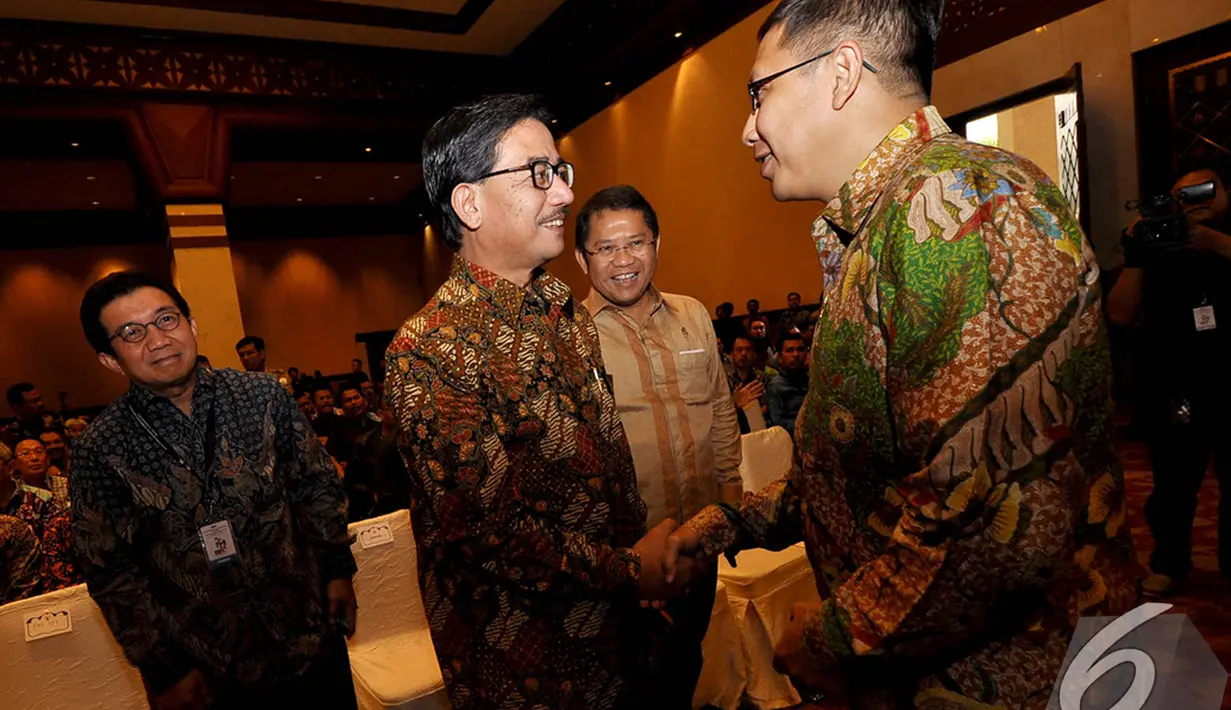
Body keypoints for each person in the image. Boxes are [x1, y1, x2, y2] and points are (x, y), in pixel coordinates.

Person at [664, 2, 1140, 707]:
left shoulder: (956, 205)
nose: (747, 128)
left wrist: (834, 638)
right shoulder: (888, 223)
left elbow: (993, 528)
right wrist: (726, 524)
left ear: (841, 71)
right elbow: (858, 468)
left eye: (757, 94)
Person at [385, 94, 693, 710]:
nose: (562, 194)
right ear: (468, 202)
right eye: (537, 174)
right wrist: (633, 571)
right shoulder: (426, 351)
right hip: (526, 664)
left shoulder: (564, 312)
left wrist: (638, 565)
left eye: (559, 171)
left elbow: (607, 463)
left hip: (621, 635)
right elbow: (488, 535)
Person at [72, 271, 358, 710]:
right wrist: (163, 668)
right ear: (110, 358)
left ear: (191, 325)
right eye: (131, 332)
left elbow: (315, 483)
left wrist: (339, 569)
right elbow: (109, 568)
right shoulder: (101, 447)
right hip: (204, 665)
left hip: (308, 630)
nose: (157, 340)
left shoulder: (261, 396)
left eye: (166, 319)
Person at [575, 184, 742, 707]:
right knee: (633, 687)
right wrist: (622, 559)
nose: (623, 260)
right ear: (582, 260)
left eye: (636, 242)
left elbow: (718, 407)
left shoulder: (693, 315)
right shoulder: (572, 339)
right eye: (606, 248)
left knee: (686, 662)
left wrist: (730, 505)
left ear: (657, 244)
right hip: (629, 558)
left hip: (701, 537)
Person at [1107, 167, 1231, 596]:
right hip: (1176, 377)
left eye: (1203, 190)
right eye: (1180, 194)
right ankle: (1169, 562)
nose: (1191, 201)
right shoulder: (1158, 242)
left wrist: (1214, 242)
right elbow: (1119, 312)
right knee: (1174, 482)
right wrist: (1137, 254)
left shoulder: (1223, 238)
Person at [325, 385, 384, 522]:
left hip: (380, 477)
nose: (354, 402)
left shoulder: (376, 422)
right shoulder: (338, 428)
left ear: (364, 400)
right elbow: (330, 454)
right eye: (348, 400)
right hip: (355, 483)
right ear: (342, 407)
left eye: (356, 398)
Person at [727, 334, 773, 434]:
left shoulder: (763, 378)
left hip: (761, 430)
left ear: (754, 354)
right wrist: (734, 403)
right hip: (734, 431)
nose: (744, 353)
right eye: (739, 349)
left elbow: (770, 405)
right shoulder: (725, 380)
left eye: (748, 349)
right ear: (732, 354)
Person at [766, 331, 809, 436]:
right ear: (779, 357)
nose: (796, 354)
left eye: (800, 349)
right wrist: (807, 425)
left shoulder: (813, 380)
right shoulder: (776, 386)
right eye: (790, 350)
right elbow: (778, 423)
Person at [13, 438, 68, 508]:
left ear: (48, 459)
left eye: (39, 452)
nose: (34, 458)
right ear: (14, 464)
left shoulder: (65, 485)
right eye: (25, 453)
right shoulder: (13, 489)